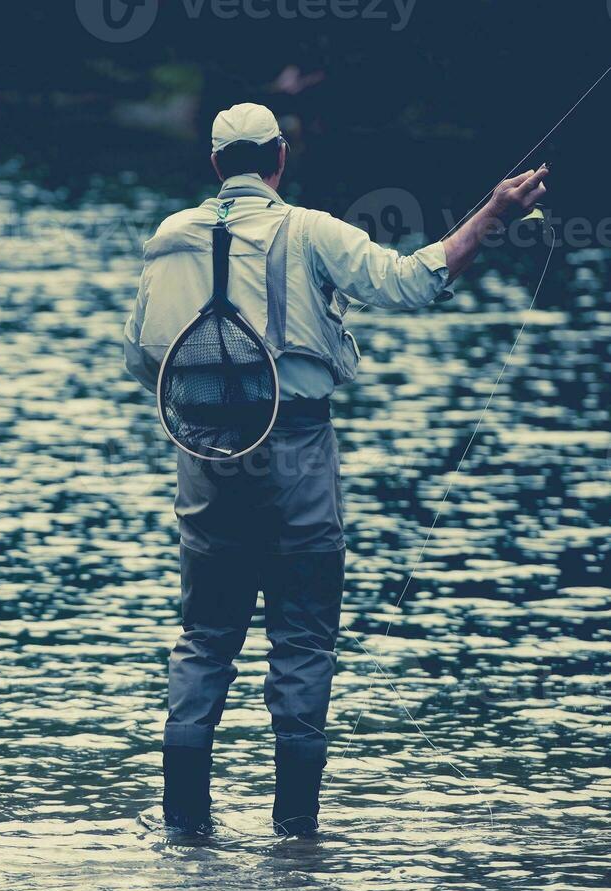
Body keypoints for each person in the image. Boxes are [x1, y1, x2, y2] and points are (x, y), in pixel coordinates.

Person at [123, 103, 550, 836]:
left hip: (204, 459)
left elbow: (142, 360)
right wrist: (492, 213)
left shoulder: (169, 239)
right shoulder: (311, 230)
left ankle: (183, 831)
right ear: (279, 159)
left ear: (216, 165)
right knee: (302, 639)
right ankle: (296, 836)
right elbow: (415, 279)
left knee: (204, 638)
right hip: (297, 454)